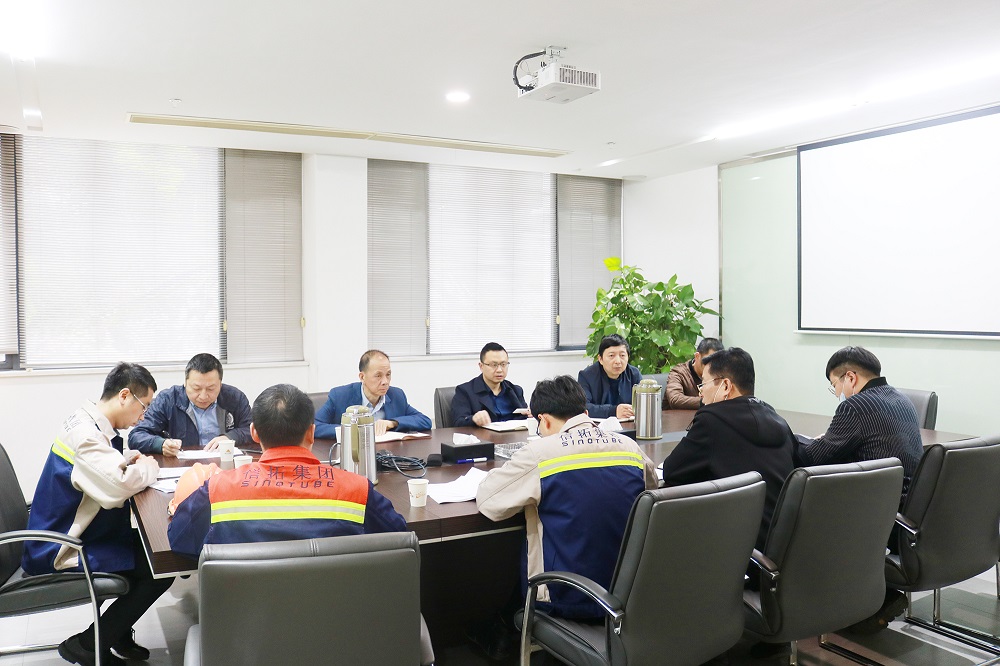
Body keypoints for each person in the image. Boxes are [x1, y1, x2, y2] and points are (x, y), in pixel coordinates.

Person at [167, 384, 434, 664]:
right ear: (311, 432)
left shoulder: (219, 488)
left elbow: (180, 540)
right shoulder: (357, 490)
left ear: (254, 433)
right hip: (348, 643)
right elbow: (399, 547)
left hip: (247, 647)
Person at [22, 363, 172, 666]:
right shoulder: (86, 435)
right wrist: (149, 467)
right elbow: (119, 486)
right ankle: (87, 645)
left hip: (65, 530)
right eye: (144, 407)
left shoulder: (86, 420)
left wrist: (125, 458)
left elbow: (96, 468)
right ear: (125, 395)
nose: (143, 416)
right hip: (59, 547)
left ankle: (114, 634)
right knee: (159, 568)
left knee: (148, 554)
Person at [477, 376, 657, 620]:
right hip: (630, 596)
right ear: (585, 413)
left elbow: (489, 501)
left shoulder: (539, 453)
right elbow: (651, 492)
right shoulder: (629, 447)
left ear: (544, 420)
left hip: (566, 598)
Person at [796, 345, 923, 634]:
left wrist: (797, 441)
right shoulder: (901, 399)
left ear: (850, 378)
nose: (837, 393)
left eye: (835, 385)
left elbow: (813, 458)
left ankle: (820, 606)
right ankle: (870, 597)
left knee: (802, 510)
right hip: (908, 513)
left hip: (878, 518)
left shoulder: (855, 407)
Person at [660, 347, 796, 554]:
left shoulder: (712, 422)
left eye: (703, 384)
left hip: (735, 552)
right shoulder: (778, 421)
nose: (700, 392)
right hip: (782, 550)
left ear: (725, 386)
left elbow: (671, 471)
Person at [128, 353, 251, 456]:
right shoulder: (168, 400)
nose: (203, 396)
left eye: (211, 389)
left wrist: (229, 438)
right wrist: (160, 444)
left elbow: (252, 431)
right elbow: (137, 436)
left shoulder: (234, 398)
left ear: (220, 384)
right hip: (182, 466)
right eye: (196, 388)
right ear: (185, 383)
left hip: (224, 463)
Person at [314, 350, 431, 440]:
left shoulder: (397, 395)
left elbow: (425, 421)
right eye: (378, 376)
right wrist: (352, 431)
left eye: (388, 374)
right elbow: (314, 426)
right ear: (362, 377)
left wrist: (392, 423)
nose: (385, 381)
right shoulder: (340, 396)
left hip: (388, 456)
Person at [452, 342, 528, 427]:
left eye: (503, 364)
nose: (499, 370)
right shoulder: (465, 391)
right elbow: (458, 423)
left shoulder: (516, 390)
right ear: (481, 366)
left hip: (513, 435)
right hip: (484, 435)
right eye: (494, 365)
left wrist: (532, 415)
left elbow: (524, 417)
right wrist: (473, 419)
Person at [577, 334, 643, 419]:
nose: (618, 361)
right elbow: (582, 407)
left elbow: (643, 404)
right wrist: (614, 411)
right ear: (600, 359)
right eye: (611, 356)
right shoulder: (586, 376)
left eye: (622, 355)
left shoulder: (634, 374)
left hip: (629, 424)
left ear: (628, 357)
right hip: (597, 425)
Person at [664, 337, 724, 409]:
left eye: (716, 363)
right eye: (708, 361)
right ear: (697, 356)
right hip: (676, 416)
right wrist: (708, 401)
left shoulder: (719, 373)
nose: (711, 367)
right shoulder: (678, 372)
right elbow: (675, 399)